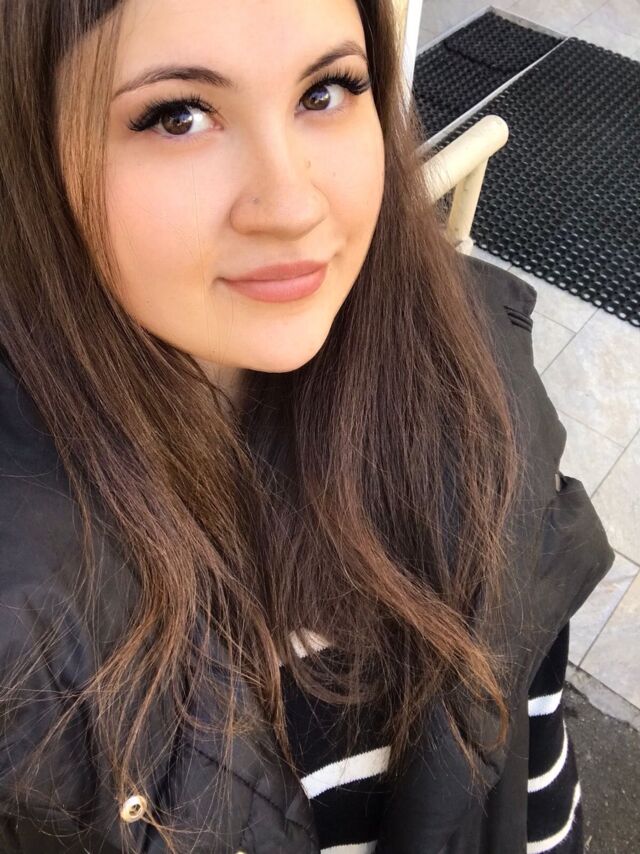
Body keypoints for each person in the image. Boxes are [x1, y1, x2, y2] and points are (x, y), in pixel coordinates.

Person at [0, 1, 614, 852]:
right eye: (177, 115)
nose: (291, 205)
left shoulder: (480, 398)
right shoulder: (25, 624)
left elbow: (534, 805)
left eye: (326, 91)